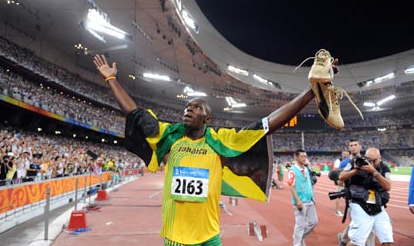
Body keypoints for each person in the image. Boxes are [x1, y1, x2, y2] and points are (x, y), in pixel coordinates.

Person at [93, 49, 342, 246]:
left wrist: (312, 92)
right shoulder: (169, 137)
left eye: (196, 107)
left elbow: (266, 125)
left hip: (211, 235)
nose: (188, 109)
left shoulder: (221, 140)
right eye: (186, 107)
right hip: (177, 236)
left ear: (208, 119)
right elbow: (135, 113)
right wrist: (111, 79)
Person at [339, 147, 393, 246]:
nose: (371, 163)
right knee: (357, 242)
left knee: (387, 239)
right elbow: (341, 177)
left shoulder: (384, 167)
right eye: (369, 160)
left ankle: (344, 238)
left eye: (374, 160)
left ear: (379, 158)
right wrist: (355, 170)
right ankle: (345, 240)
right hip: (359, 204)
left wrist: (374, 172)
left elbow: (388, 186)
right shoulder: (355, 162)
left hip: (378, 205)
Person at [337, 140, 375, 246]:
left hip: (368, 197)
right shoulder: (345, 162)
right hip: (353, 197)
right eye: (351, 145)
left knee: (360, 224)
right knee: (363, 225)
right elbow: (340, 181)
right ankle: (346, 239)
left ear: (360, 147)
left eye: (355, 145)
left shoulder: (367, 160)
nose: (353, 147)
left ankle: (344, 238)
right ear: (349, 148)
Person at [287, 149, 318, 246]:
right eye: (302, 156)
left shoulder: (305, 169)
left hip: (310, 200)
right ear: (296, 157)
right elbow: (291, 186)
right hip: (301, 202)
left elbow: (309, 184)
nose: (304, 158)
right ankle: (296, 243)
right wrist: (298, 201)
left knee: (314, 221)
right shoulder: (292, 170)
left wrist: (313, 197)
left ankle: (300, 237)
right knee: (300, 225)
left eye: (305, 156)